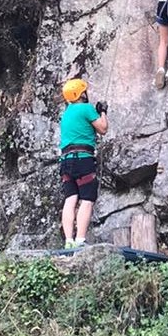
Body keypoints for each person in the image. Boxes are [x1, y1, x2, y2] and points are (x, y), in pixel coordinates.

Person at [58, 78, 108, 249]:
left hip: (66, 161)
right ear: (81, 94)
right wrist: (102, 112)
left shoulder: (65, 114)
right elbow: (102, 129)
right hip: (83, 159)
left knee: (70, 198)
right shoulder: (86, 109)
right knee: (87, 198)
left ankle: (68, 240)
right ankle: (80, 239)